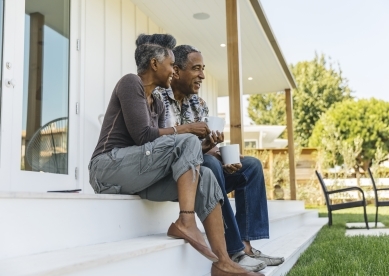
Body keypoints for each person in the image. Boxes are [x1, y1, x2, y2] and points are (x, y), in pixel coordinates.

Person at [89, 34, 261, 276]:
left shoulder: (157, 105)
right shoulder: (130, 83)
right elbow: (143, 136)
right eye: (171, 65)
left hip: (138, 176)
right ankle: (186, 221)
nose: (173, 71)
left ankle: (223, 262)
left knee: (207, 178)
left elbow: (167, 147)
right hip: (106, 169)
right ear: (154, 64)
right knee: (187, 139)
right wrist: (188, 129)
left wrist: (202, 147)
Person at [153, 45, 285, 272]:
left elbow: (204, 148)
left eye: (203, 69)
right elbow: (160, 146)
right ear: (176, 70)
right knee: (211, 164)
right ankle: (233, 250)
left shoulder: (199, 104)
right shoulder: (158, 99)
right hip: (177, 175)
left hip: (204, 167)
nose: (202, 75)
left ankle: (246, 246)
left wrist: (221, 153)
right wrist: (209, 153)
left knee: (251, 166)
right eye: (196, 69)